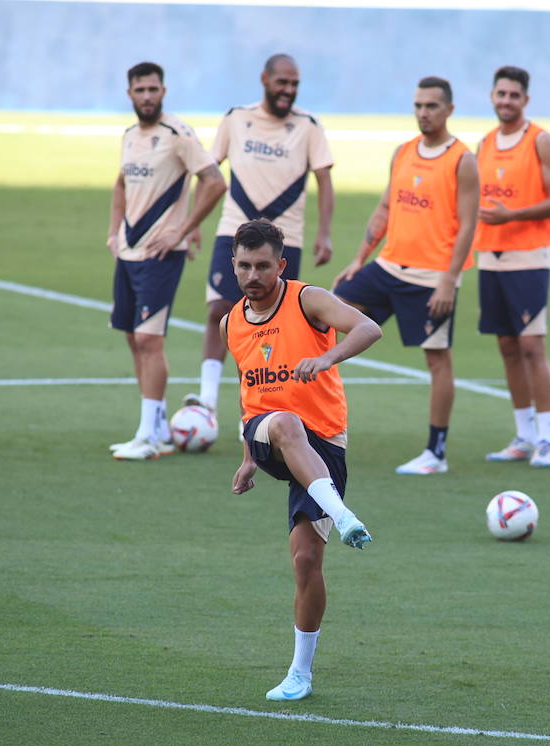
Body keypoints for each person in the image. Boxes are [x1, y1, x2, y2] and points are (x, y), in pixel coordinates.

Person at [224, 220, 381, 701]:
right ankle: (344, 515)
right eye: (244, 266)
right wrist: (249, 457)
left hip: (325, 441)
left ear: (281, 265)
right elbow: (249, 394)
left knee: (307, 561)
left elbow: (368, 328)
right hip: (272, 433)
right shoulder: (231, 322)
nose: (253, 276)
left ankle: (300, 674)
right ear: (233, 264)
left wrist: (329, 357)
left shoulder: (307, 300)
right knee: (286, 423)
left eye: (262, 266)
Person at [333, 76, 479, 475]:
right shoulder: (403, 152)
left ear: (449, 110)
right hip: (387, 267)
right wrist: (359, 259)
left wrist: (449, 279)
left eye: (432, 106)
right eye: (418, 105)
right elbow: (386, 208)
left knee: (437, 359)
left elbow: (468, 225)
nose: (423, 113)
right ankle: (310, 418)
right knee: (326, 310)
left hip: (432, 278)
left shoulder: (462, 160)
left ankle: (436, 452)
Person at [188, 53, 335, 419]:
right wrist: (192, 224)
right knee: (220, 310)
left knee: (272, 324)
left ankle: (258, 409)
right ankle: (207, 401)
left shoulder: (308, 125)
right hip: (234, 230)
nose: (288, 90)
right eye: (282, 82)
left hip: (286, 239)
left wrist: (325, 234)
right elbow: (208, 171)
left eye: (294, 84)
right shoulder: (237, 118)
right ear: (264, 79)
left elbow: (324, 179)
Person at [107, 61, 227, 460]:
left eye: (153, 89)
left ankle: (148, 437)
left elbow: (214, 181)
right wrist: (113, 232)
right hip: (129, 251)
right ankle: (156, 426)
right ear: (130, 94)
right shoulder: (129, 136)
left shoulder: (177, 134)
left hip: (161, 254)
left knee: (149, 339)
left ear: (164, 91)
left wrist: (184, 229)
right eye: (140, 90)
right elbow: (121, 184)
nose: (147, 97)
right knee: (132, 337)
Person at [473, 65, 550, 468]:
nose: (507, 101)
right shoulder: (484, 144)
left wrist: (511, 216)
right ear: (492, 97)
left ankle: (547, 438)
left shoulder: (539, 140)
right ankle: (523, 435)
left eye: (514, 95)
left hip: (529, 255)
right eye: (501, 94)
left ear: (525, 100)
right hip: (490, 255)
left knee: (532, 345)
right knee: (507, 346)